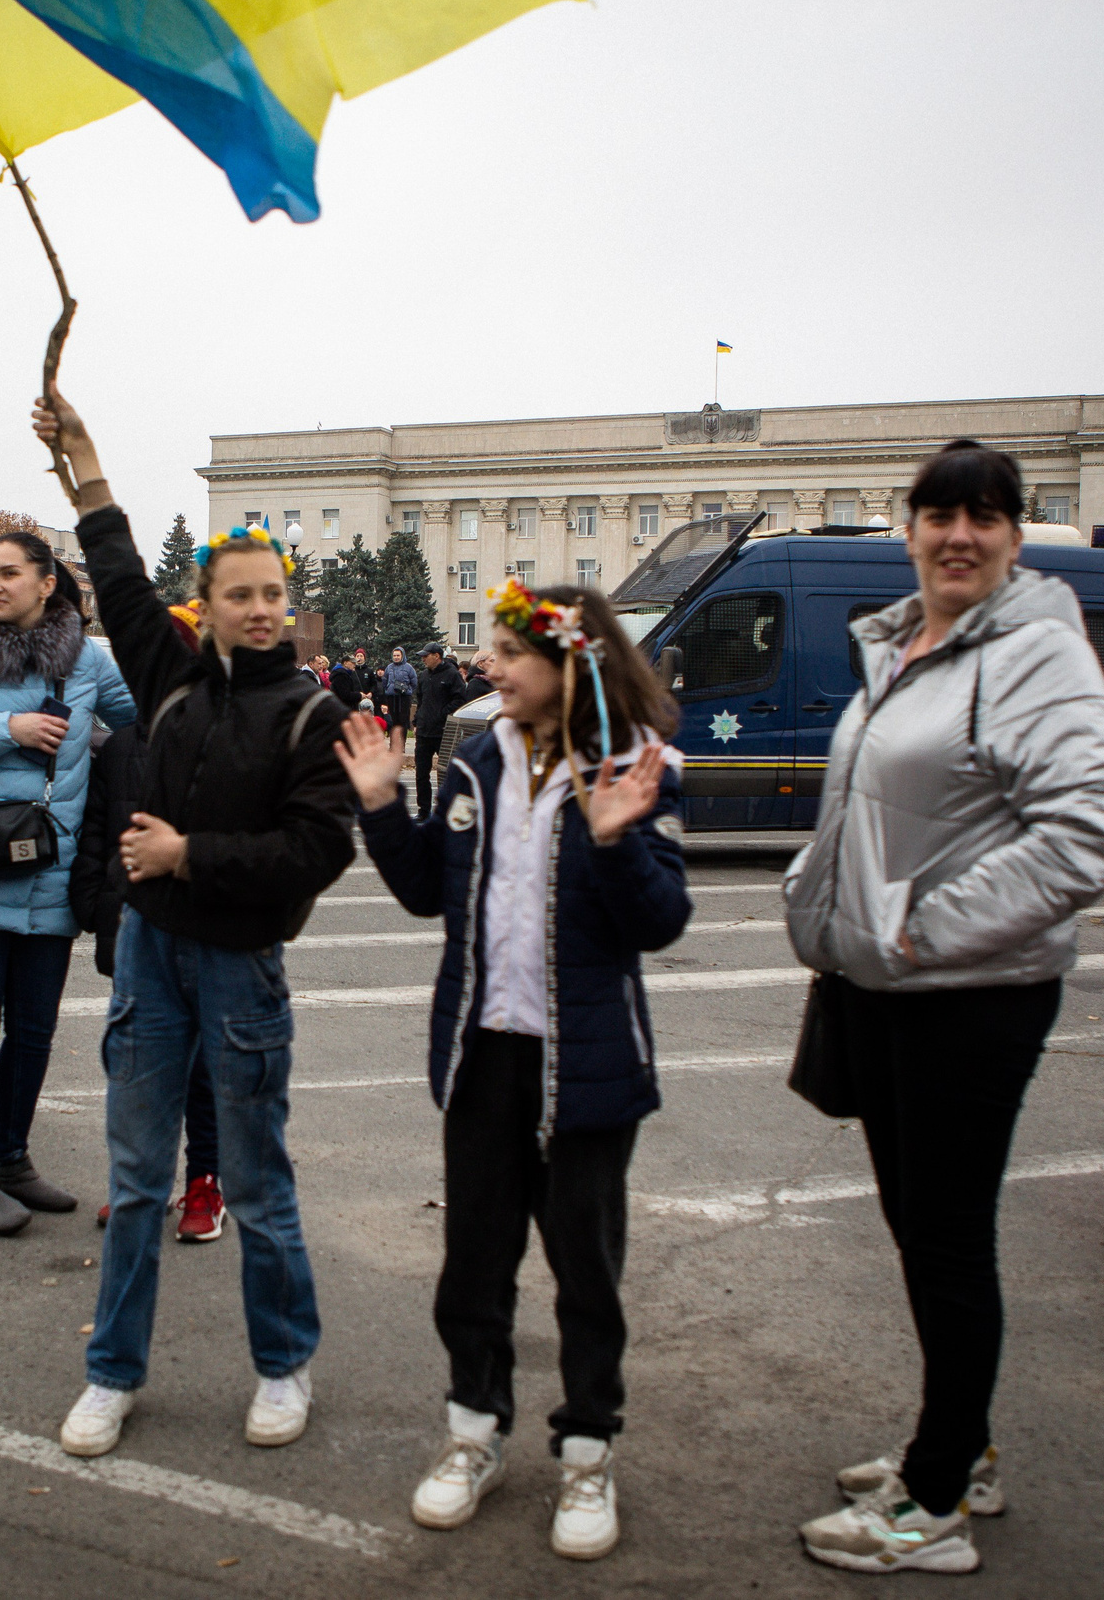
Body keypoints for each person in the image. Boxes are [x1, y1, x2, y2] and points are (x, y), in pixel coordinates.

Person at [780, 439, 1104, 1577]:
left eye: (985, 515)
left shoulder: (1034, 650)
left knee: (946, 1240)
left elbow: (1079, 837)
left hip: (967, 996)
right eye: (939, 514)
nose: (959, 534)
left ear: (1015, 535)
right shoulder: (911, 644)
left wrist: (920, 926)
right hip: (889, 987)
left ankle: (932, 1506)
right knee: (921, 1233)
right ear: (911, 526)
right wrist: (823, 898)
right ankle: (957, 1446)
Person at [32, 389, 356, 1461]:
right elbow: (113, 568)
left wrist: (186, 856)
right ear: (206, 603)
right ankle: (112, 1375)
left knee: (257, 1182)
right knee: (135, 1184)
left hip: (240, 967)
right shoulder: (167, 676)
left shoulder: (308, 713)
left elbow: (318, 853)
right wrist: (83, 457)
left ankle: (281, 1367)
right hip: (148, 960)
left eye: (273, 594)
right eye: (240, 595)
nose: (261, 610)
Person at [345, 580, 687, 1562]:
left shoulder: (634, 765)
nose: (488, 667)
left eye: (509, 653)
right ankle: (472, 1433)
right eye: (489, 651)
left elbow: (660, 923)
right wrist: (377, 807)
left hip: (586, 1067)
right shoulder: (472, 764)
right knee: (474, 1267)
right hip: (481, 1056)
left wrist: (617, 840)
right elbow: (424, 891)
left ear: (573, 662)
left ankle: (588, 1451)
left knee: (586, 1273)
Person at [0, 530, 135, 1234]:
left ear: (48, 583)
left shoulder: (91, 662)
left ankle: (13, 1158)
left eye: (9, 572)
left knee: (34, 1032)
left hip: (50, 876)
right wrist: (6, 727)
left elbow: (154, 721)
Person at [71, 600, 226, 1245]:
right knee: (137, 1064)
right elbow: (95, 833)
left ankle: (205, 1182)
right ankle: (141, 1180)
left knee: (202, 1069)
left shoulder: (225, 736)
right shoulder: (121, 745)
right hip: (133, 929)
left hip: (208, 930)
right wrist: (94, 901)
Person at [412, 643, 467, 816]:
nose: (423, 659)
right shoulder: (423, 676)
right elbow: (421, 701)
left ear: (437, 656)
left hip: (443, 731)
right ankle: (423, 810)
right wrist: (416, 721)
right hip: (424, 732)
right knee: (421, 774)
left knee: (446, 774)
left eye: (425, 656)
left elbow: (460, 699)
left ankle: (446, 811)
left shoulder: (451, 675)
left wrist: (441, 715)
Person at [381, 645, 418, 735]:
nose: (396, 657)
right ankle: (393, 744)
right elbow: (384, 681)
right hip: (392, 697)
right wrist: (388, 689)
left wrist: (407, 690)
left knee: (403, 721)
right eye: (394, 655)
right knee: (393, 721)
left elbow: (414, 682)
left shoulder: (408, 668)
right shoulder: (389, 667)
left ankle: (401, 745)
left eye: (398, 655)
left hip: (404, 698)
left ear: (402, 656)